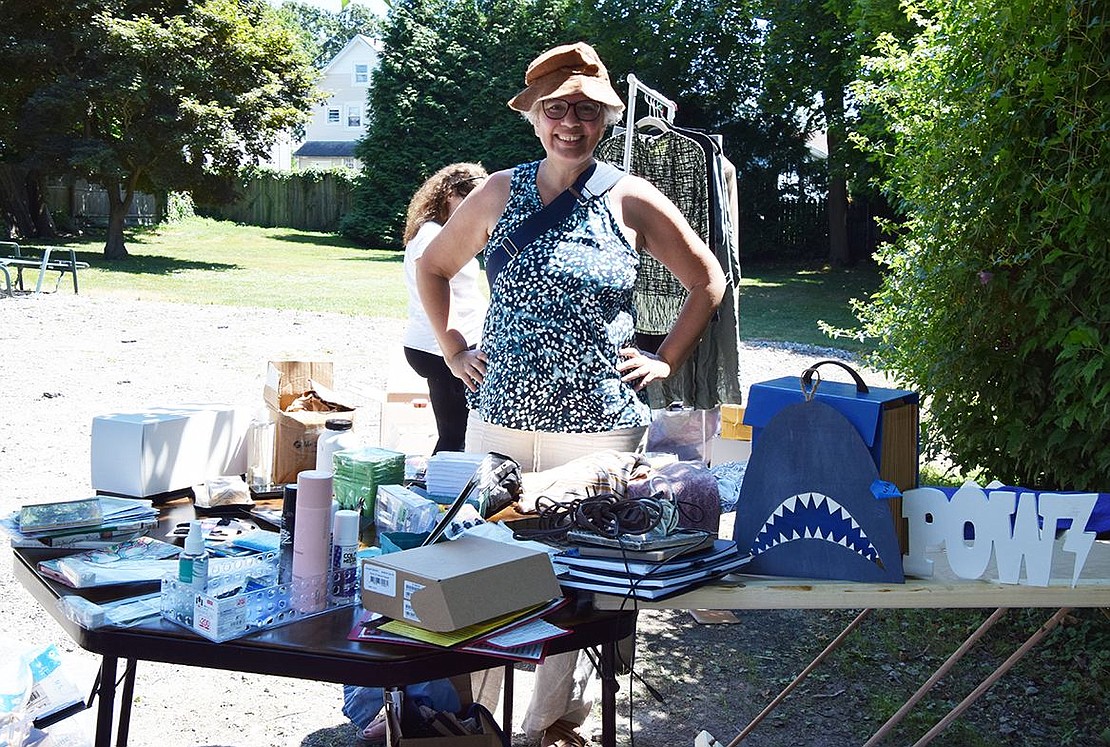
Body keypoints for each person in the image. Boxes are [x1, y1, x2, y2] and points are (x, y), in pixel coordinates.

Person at [416, 41, 725, 747]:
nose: (571, 123)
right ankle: (474, 724)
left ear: (605, 119)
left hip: (598, 436)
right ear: (535, 117)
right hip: (498, 429)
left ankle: (549, 728)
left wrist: (666, 358)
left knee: (578, 596)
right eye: (557, 109)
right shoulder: (498, 191)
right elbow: (433, 268)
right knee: (476, 578)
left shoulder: (631, 197)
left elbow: (707, 278)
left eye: (586, 109)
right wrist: (455, 347)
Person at [402, 162, 489, 453]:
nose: (475, 209)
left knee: (458, 433)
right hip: (440, 347)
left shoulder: (441, 232)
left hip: (445, 344)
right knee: (454, 437)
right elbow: (434, 290)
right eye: (470, 200)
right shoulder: (430, 234)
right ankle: (443, 494)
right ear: (450, 194)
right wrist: (456, 351)